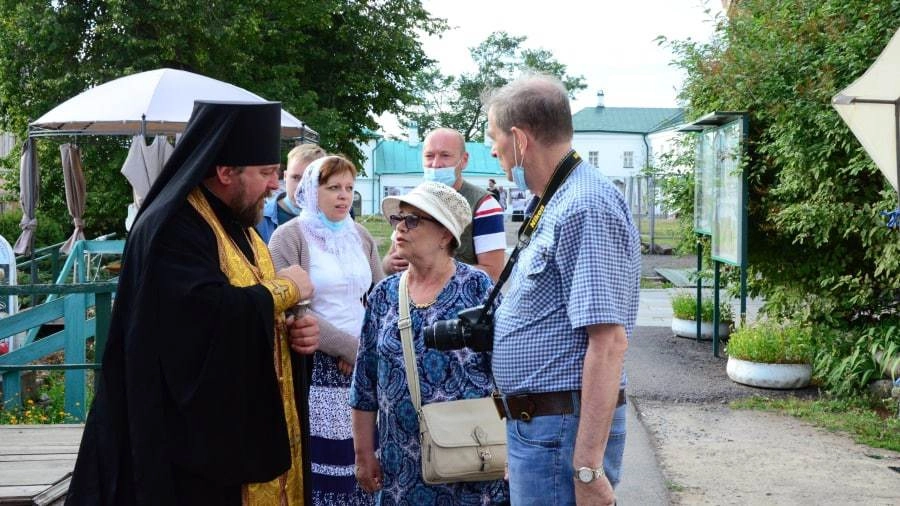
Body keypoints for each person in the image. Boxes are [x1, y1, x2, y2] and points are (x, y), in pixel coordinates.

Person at [66, 101, 321, 506]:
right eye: (265, 173)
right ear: (225, 172)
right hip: (191, 449)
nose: (275, 185)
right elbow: (203, 320)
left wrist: (294, 332)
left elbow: (248, 313)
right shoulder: (172, 228)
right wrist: (285, 290)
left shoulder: (241, 226)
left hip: (242, 429)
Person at [484, 75, 641, 506]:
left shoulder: (584, 205)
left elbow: (608, 343)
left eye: (495, 139)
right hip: (543, 429)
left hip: (560, 431)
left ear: (520, 139)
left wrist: (587, 468)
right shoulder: (558, 200)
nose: (494, 152)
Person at [350, 181, 509, 504]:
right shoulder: (384, 295)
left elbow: (509, 372)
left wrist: (515, 447)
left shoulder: (477, 287)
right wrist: (363, 453)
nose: (400, 228)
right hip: (399, 468)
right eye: (398, 218)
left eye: (413, 220)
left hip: (470, 465)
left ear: (445, 235)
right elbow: (364, 382)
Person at [268, 155, 383, 506]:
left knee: (364, 460)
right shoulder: (289, 236)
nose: (343, 196)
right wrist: (349, 349)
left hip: (363, 365)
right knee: (330, 467)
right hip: (319, 365)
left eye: (349, 187)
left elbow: (380, 297)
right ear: (310, 191)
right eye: (333, 187)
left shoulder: (359, 235)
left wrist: (364, 349)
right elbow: (295, 310)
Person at [382, 128, 506, 281]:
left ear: (464, 160)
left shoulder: (484, 205)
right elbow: (389, 259)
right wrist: (390, 264)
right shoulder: (414, 201)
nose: (436, 164)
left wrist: (432, 268)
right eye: (429, 156)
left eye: (445, 155)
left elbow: (493, 273)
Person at [256, 143, 327, 243]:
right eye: (296, 177)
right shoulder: (258, 218)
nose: (301, 187)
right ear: (285, 176)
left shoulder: (338, 220)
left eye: (310, 179)